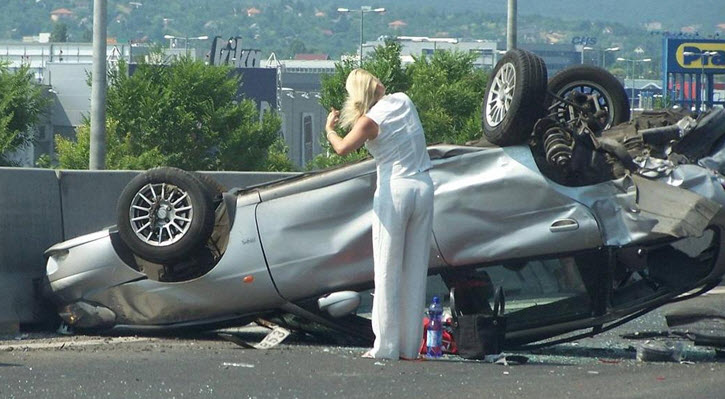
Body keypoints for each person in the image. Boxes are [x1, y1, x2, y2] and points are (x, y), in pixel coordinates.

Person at [325, 69, 434, 360]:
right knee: (415, 269)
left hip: (394, 189)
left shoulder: (367, 123)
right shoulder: (403, 100)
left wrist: (330, 129)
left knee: (387, 268)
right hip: (424, 186)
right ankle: (410, 346)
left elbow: (342, 149)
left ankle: (385, 346)